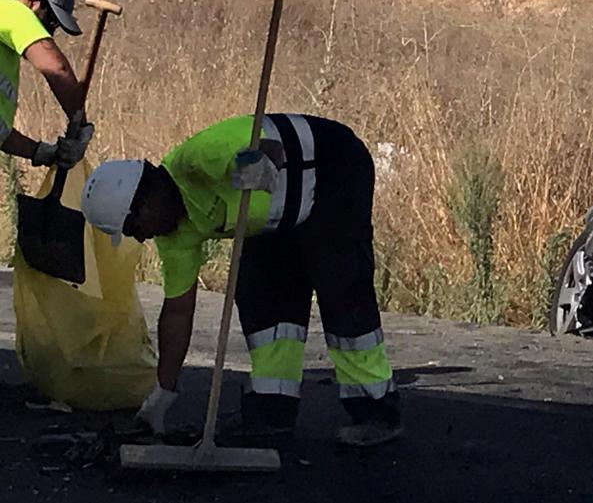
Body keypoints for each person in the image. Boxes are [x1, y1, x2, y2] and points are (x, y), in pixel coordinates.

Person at [80, 113, 402, 447]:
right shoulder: (175, 236)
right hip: (275, 216)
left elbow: (267, 144)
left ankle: (376, 411)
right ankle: (272, 409)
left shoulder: (198, 159)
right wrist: (163, 393)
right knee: (262, 296)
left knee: (342, 285)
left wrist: (260, 161)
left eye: (133, 228)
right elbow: (177, 311)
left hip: (332, 169)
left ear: (143, 202)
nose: (142, 238)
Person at [0, 0, 93, 169]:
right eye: (50, 22)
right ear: (33, 1)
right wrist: (81, 124)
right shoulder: (13, 11)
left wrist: (39, 152)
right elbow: (57, 69)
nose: (49, 33)